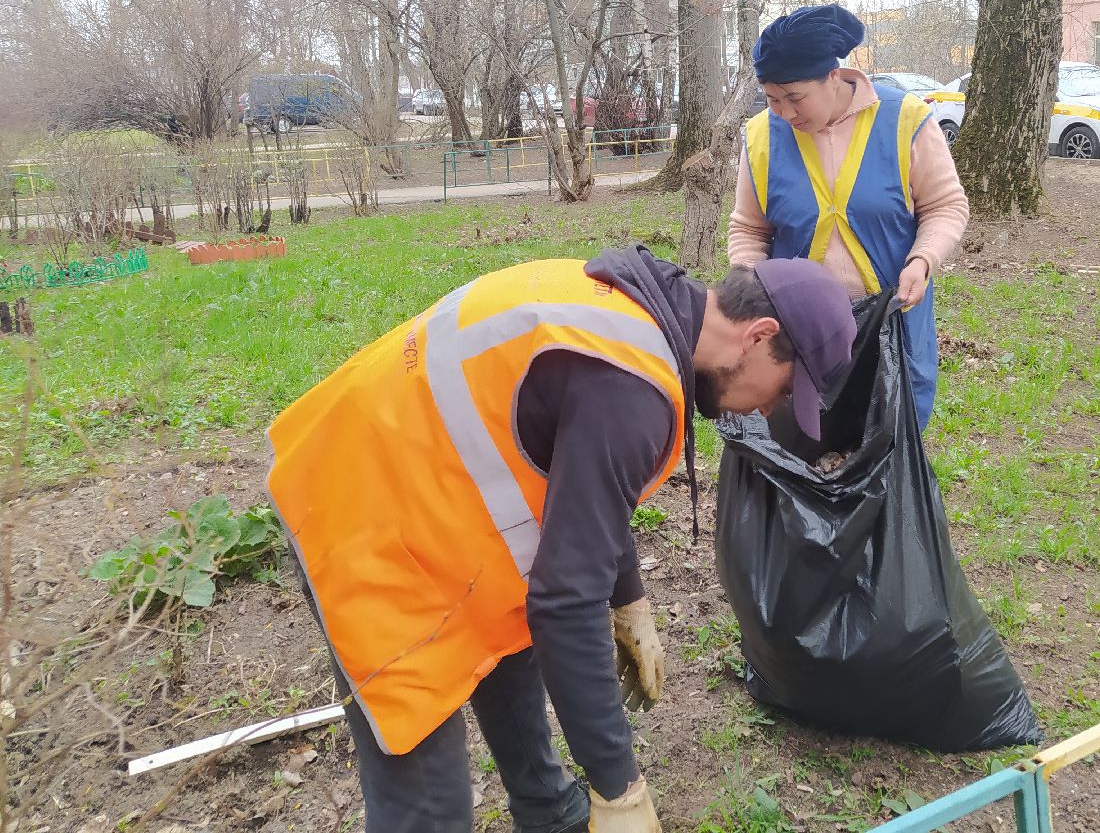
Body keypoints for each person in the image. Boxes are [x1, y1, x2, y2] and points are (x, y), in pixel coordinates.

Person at [266, 246, 856, 833]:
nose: (772, 408)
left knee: (508, 631)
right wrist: (619, 787)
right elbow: (564, 602)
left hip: (412, 482)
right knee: (428, 807)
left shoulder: (645, 303)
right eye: (785, 390)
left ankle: (550, 813)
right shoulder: (630, 390)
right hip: (360, 511)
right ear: (758, 335)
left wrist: (627, 595)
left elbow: (579, 476)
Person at [728, 4, 970, 429]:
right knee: (810, 447)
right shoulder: (762, 136)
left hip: (892, 324)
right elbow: (749, 228)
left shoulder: (906, 119)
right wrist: (751, 285)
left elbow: (945, 206)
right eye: (771, 99)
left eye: (794, 98)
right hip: (802, 333)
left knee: (890, 444)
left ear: (833, 78)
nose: (783, 112)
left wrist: (923, 259)